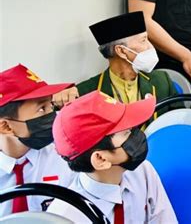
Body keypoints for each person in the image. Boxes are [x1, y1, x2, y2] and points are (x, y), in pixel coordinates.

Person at [47, 91, 177, 223]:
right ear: (100, 159)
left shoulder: (143, 172)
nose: (137, 135)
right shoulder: (66, 217)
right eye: (127, 132)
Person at [54, 12, 179, 124]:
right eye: (143, 41)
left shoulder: (162, 81)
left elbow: (181, 121)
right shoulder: (85, 92)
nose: (150, 47)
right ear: (121, 51)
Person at [0, 64, 75, 217]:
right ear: (6, 126)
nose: (53, 117)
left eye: (51, 106)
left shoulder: (67, 159)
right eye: (41, 109)